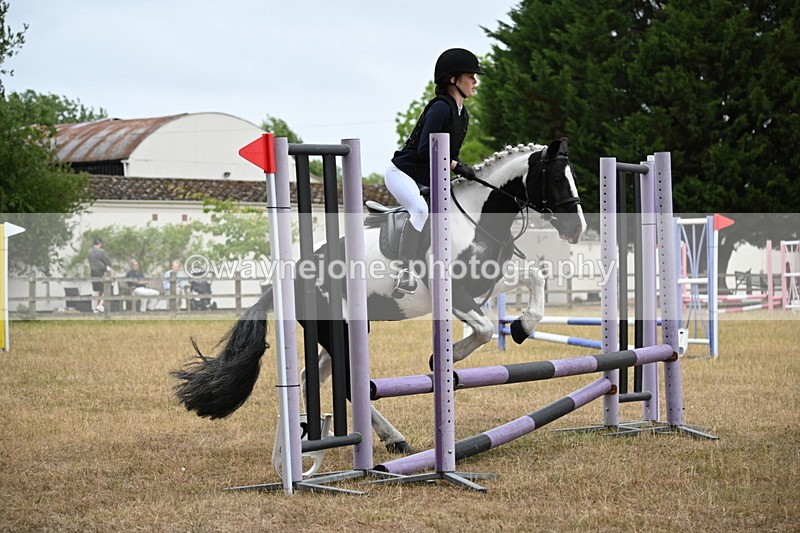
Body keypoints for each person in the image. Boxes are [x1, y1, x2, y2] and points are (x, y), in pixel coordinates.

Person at [384, 47, 485, 297]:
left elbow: (451, 153)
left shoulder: (463, 114)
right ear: (453, 79)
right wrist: (454, 165)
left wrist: (464, 170)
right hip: (403, 174)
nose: (475, 82)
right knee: (419, 210)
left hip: (427, 179)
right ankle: (403, 271)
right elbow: (425, 148)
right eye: (470, 76)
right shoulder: (440, 107)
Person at [87, 237, 112, 313]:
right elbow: (108, 261)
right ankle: (100, 305)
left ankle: (94, 308)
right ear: (100, 243)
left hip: (93, 272)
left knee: (96, 290)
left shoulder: (89, 251)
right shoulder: (101, 251)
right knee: (106, 289)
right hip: (100, 272)